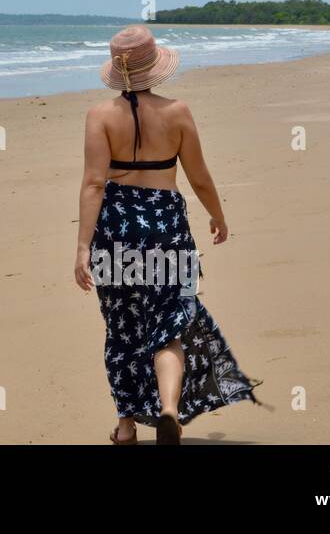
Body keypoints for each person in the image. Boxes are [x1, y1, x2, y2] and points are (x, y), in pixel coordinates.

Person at [73, 25, 259, 444]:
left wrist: (83, 246)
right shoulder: (178, 112)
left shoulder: (99, 116)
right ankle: (169, 409)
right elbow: (199, 176)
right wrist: (218, 216)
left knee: (122, 331)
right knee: (168, 327)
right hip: (166, 228)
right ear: (154, 67)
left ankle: (125, 428)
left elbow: (93, 184)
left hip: (116, 230)